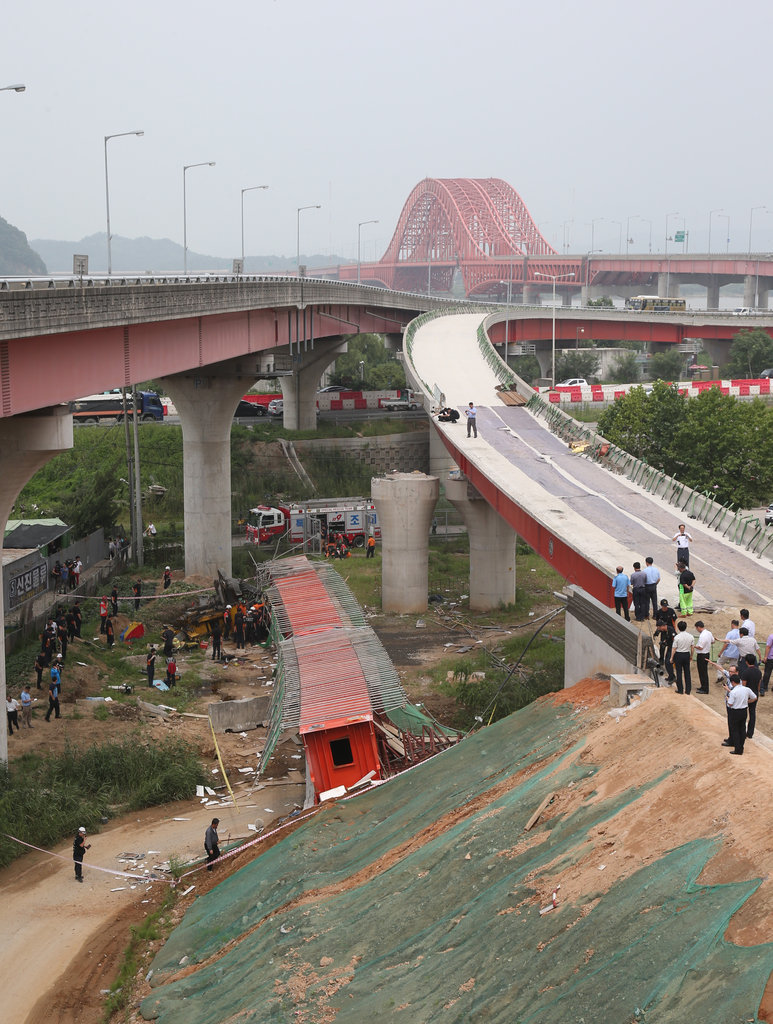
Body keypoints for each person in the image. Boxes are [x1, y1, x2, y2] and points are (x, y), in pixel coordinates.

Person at [724, 674, 757, 755]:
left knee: (735, 730)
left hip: (735, 712)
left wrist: (727, 699)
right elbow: (754, 697)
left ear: (732, 682)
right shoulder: (746, 689)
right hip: (744, 711)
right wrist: (747, 702)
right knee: (742, 729)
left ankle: (737, 748)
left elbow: (730, 704)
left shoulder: (733, 692)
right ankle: (741, 747)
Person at [739, 653, 761, 739]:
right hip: (755, 694)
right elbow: (759, 685)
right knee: (752, 713)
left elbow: (744, 686)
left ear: (747, 662)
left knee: (743, 713)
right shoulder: (758, 671)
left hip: (747, 695)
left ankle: (743, 732)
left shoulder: (746, 672)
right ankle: (750, 733)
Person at [654, 599, 677, 682]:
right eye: (663, 606)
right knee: (662, 647)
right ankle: (661, 659)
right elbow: (658, 623)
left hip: (671, 637)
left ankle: (672, 675)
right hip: (665, 634)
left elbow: (674, 622)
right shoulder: (659, 613)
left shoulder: (671, 612)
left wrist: (674, 631)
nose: (665, 607)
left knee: (668, 660)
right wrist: (658, 632)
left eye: (666, 606)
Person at [670, 620, 694, 695]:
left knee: (679, 672)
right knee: (687, 672)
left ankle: (680, 689)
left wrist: (671, 658)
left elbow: (674, 649)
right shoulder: (690, 636)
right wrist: (691, 656)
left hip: (679, 654)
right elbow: (692, 648)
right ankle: (688, 690)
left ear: (678, 627)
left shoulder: (677, 637)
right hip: (686, 654)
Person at [693, 620, 714, 694]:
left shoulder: (702, 635)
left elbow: (700, 647)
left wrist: (694, 646)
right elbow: (713, 641)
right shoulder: (709, 633)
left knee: (702, 672)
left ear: (698, 627)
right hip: (706, 653)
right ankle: (703, 686)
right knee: (704, 671)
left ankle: (705, 688)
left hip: (702, 655)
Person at [761, 629, 773, 696]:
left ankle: (764, 687)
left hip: (771, 658)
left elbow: (768, 647)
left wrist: (765, 657)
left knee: (767, 673)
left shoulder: (771, 636)